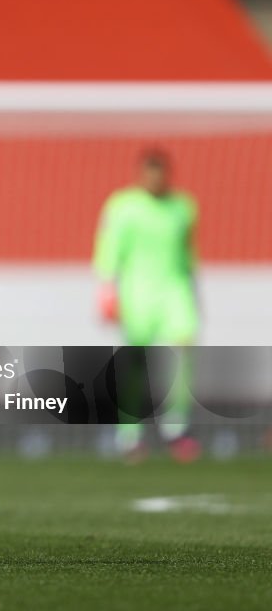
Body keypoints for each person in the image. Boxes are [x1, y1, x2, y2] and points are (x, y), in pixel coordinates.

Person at [93, 149, 200, 463]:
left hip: (175, 288)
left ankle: (176, 428)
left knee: (184, 349)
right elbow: (108, 249)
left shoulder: (183, 207)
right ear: (141, 175)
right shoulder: (123, 206)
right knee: (136, 363)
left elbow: (188, 253)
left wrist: (194, 292)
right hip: (138, 291)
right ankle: (129, 435)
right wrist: (107, 291)